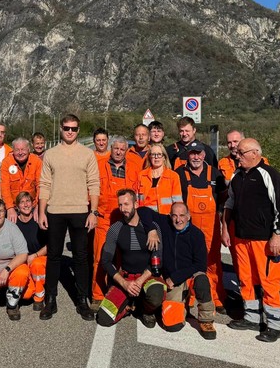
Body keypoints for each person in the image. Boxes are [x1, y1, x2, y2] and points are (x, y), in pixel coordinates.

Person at [222, 138, 280, 343]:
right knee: (245, 278)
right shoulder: (237, 175)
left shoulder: (269, 174)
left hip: (264, 239)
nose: (237, 156)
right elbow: (230, 202)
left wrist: (277, 235)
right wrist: (225, 228)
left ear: (255, 153)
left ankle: (274, 325)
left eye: (241, 153)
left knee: (269, 281)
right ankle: (251, 317)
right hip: (241, 237)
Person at [38, 114, 100, 321]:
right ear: (61, 129)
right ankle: (51, 299)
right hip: (55, 211)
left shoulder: (87, 154)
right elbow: (44, 184)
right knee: (54, 256)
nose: (70, 132)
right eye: (66, 128)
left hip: (80, 211)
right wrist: (41, 212)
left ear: (78, 130)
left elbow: (94, 184)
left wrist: (93, 212)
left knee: (81, 257)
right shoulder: (50, 154)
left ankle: (82, 300)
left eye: (74, 129)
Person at [96, 189, 165, 327]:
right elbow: (106, 261)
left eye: (126, 204)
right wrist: (124, 283)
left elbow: (158, 259)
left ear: (136, 204)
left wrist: (139, 281)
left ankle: (145, 310)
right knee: (103, 318)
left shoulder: (152, 228)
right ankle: (128, 308)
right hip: (125, 278)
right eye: (120, 205)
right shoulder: (115, 229)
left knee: (156, 294)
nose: (123, 209)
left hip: (147, 276)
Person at [148, 202, 217, 339]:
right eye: (174, 215)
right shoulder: (166, 225)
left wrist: (175, 277)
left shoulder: (197, 235)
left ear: (189, 216)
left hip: (189, 277)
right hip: (173, 281)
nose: (178, 220)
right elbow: (144, 211)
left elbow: (200, 265)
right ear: (170, 216)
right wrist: (152, 229)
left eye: (182, 215)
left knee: (202, 281)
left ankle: (206, 320)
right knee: (172, 325)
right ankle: (182, 305)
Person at [177, 141, 228, 311]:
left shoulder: (215, 175)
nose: (196, 157)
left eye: (199, 153)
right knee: (189, 260)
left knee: (212, 262)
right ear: (188, 155)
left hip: (210, 227)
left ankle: (216, 295)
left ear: (204, 155)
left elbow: (223, 201)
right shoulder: (180, 174)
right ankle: (190, 295)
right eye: (192, 153)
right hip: (188, 227)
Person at [92, 136, 139, 303]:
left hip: (125, 221)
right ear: (111, 149)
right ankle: (97, 296)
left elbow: (137, 195)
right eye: (116, 148)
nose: (118, 152)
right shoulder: (99, 165)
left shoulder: (134, 168)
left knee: (123, 259)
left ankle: (119, 295)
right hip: (104, 220)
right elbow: (91, 191)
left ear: (126, 150)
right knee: (100, 258)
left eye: (122, 149)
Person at [15, 191, 48, 310]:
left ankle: (39, 296)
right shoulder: (14, 223)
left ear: (33, 204)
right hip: (23, 261)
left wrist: (35, 255)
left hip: (39, 258)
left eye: (28, 201)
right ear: (17, 207)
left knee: (37, 264)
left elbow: (51, 244)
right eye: (22, 202)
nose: (25, 205)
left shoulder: (39, 220)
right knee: (26, 294)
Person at [0, 137, 42, 223]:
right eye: (17, 150)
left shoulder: (37, 162)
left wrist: (38, 206)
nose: (20, 153)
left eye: (23, 149)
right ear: (12, 150)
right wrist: (10, 208)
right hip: (14, 208)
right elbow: (4, 188)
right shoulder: (6, 163)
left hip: (32, 207)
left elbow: (40, 185)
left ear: (28, 149)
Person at [137, 143, 182, 214]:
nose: (156, 157)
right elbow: (137, 199)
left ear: (164, 157)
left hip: (165, 216)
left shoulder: (173, 176)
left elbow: (177, 201)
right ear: (149, 157)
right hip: (145, 216)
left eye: (159, 154)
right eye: (153, 154)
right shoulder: (142, 175)